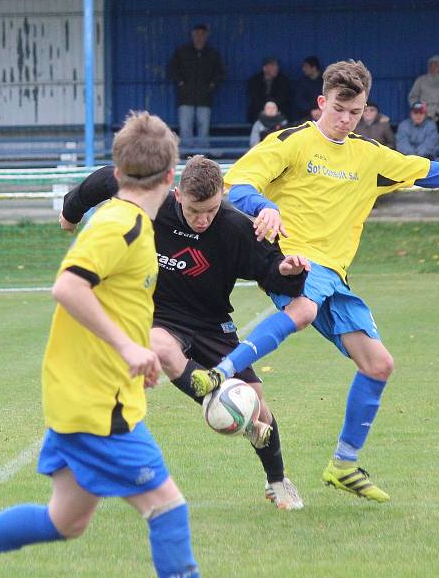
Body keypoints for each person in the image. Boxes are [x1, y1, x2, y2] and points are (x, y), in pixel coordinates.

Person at [190, 59, 439, 504]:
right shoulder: (291, 143)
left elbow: (431, 172)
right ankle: (218, 373)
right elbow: (235, 182)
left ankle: (343, 464)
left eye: (355, 113)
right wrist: (264, 206)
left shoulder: (370, 156)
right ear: (322, 102)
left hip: (334, 275)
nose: (345, 119)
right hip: (288, 261)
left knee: (379, 365)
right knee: (304, 308)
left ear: (365, 110)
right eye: (338, 108)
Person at [0, 112, 201, 578]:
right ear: (172, 177)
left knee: (67, 520)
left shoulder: (129, 224)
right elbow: (68, 287)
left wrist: (137, 344)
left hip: (79, 394)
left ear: (118, 171)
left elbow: (110, 303)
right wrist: (128, 349)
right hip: (97, 403)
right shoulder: (121, 225)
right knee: (168, 507)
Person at [60, 155, 310, 511]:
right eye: (195, 210)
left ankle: (278, 481)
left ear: (220, 198)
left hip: (213, 323)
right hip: (161, 315)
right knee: (158, 345)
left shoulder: (236, 227)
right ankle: (210, 395)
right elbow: (105, 180)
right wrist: (71, 211)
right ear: (177, 195)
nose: (203, 219)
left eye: (210, 210)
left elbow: (271, 269)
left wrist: (289, 270)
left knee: (257, 408)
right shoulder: (153, 201)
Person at [168, 24, 225, 148]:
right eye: (196, 34)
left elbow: (220, 72)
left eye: (202, 34)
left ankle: (202, 154)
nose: (199, 37)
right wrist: (181, 83)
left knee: (203, 126)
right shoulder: (182, 51)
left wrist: (211, 85)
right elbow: (173, 69)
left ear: (206, 36)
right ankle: (187, 154)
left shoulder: (212, 53)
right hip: (185, 97)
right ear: (192, 35)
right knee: (185, 126)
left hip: (204, 97)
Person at [408, 55, 439, 131]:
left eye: (435, 66)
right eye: (431, 66)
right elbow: (413, 97)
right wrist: (419, 109)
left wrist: (438, 114)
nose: (433, 68)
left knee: (435, 127)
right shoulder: (420, 80)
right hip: (423, 113)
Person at [246, 56, 290, 124]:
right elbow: (254, 98)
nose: (276, 68)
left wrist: (272, 109)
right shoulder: (254, 81)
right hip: (259, 111)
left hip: (278, 111)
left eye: (276, 65)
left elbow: (283, 97)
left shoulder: (283, 80)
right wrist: (266, 109)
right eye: (273, 65)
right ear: (265, 68)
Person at [291, 55, 323, 123]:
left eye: (306, 66)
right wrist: (311, 111)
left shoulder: (325, 81)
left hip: (324, 115)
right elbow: (299, 100)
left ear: (314, 68)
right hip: (306, 116)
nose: (303, 69)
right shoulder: (301, 83)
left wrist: (322, 111)